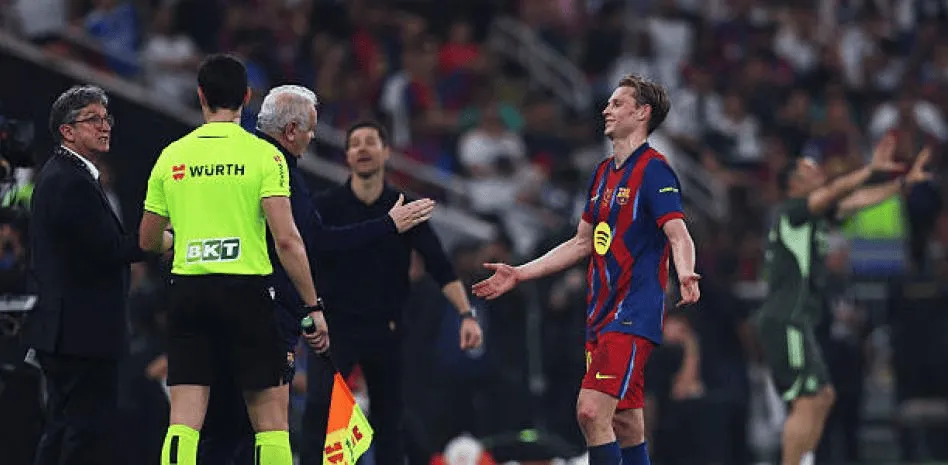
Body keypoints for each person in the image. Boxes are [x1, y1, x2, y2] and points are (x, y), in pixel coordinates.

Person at [198, 85, 436, 464]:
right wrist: (386, 226)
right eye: (310, 128)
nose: (312, 137)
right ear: (291, 130)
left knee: (222, 423)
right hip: (263, 312)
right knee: (267, 425)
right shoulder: (276, 169)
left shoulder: (233, 160)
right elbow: (306, 242)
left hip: (212, 302)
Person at [473, 74, 700, 465]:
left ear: (642, 113)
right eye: (608, 103)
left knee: (591, 412)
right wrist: (520, 272)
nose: (606, 109)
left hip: (632, 312)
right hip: (600, 314)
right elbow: (582, 243)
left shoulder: (655, 170)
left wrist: (685, 273)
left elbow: (678, 233)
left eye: (617, 103)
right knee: (626, 424)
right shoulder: (602, 174)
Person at [137, 54, 329, 465]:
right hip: (248, 295)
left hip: (189, 291)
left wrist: (179, 242)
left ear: (200, 95)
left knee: (183, 421)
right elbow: (287, 240)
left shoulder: (172, 155)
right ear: (246, 97)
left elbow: (148, 239)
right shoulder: (265, 157)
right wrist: (313, 306)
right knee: (271, 423)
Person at [301, 120, 484, 465]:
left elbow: (439, 265)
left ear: (386, 152)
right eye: (355, 143)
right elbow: (306, 254)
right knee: (319, 410)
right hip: (334, 329)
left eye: (371, 141)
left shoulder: (406, 206)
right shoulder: (326, 205)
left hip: (386, 329)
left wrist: (466, 315)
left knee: (390, 422)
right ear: (346, 156)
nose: (363, 148)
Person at [756, 134, 931, 465]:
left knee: (823, 396)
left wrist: (902, 183)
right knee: (806, 399)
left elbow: (858, 200)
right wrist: (871, 169)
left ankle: (804, 461)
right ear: (794, 184)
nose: (818, 171)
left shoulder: (815, 214)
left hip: (799, 319)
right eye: (809, 169)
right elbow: (838, 191)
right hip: (785, 317)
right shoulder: (792, 210)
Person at [23, 84, 173, 465]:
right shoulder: (70, 181)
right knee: (82, 432)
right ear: (67, 131)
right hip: (81, 335)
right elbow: (107, 249)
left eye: (106, 118)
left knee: (62, 428)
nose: (105, 126)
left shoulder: (65, 174)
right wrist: (158, 240)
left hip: (68, 331)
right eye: (93, 119)